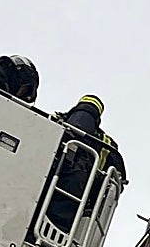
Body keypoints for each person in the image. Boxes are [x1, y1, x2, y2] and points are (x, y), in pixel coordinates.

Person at [45, 95, 126, 234]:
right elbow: (117, 182)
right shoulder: (107, 143)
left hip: (40, 182)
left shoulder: (56, 119)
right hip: (71, 202)